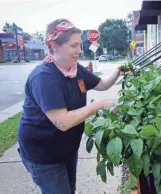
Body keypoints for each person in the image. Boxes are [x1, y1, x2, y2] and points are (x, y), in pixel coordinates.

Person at [17, 19, 129, 194]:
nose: (79, 51)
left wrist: (117, 72)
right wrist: (100, 105)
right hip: (44, 154)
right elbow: (63, 122)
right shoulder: (44, 77)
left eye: (80, 45)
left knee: (69, 189)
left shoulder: (75, 69)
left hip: (67, 149)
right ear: (54, 45)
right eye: (73, 46)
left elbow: (102, 85)